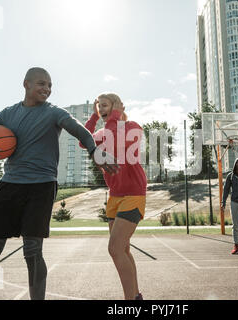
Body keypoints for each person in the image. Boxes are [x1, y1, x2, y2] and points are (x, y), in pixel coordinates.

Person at [0, 67, 118, 300]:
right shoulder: (7, 114)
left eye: (49, 85)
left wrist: (95, 151)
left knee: (33, 250)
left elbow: (80, 132)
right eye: (41, 84)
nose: (46, 89)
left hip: (41, 186)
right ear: (26, 84)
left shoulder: (54, 113)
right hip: (9, 185)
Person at [80, 93, 147, 300]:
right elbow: (84, 141)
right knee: (123, 249)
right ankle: (135, 296)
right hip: (115, 195)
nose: (101, 109)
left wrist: (115, 115)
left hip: (133, 193)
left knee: (115, 248)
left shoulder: (132, 127)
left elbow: (114, 139)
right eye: (99, 106)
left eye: (105, 105)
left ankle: (129, 302)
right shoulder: (103, 131)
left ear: (117, 106)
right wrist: (92, 117)